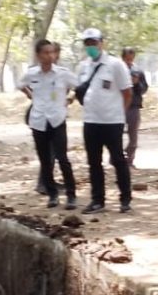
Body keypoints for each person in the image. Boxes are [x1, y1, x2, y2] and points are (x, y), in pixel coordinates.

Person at [74, 28, 134, 214]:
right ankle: (97, 200)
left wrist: (119, 115)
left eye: (94, 42)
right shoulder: (82, 67)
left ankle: (125, 198)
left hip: (112, 122)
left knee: (118, 160)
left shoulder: (115, 64)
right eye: (88, 43)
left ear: (102, 43)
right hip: (91, 121)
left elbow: (127, 93)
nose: (91, 46)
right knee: (94, 162)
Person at [21, 39, 78, 209]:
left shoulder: (63, 73)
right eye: (46, 52)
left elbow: (78, 86)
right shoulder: (32, 73)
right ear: (38, 55)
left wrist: (70, 98)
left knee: (62, 158)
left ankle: (71, 195)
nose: (50, 55)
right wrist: (30, 95)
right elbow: (20, 85)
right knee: (45, 160)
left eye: (52, 52)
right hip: (38, 121)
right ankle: (52, 195)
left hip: (57, 119)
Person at [123, 47, 147, 168]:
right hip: (119, 107)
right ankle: (116, 158)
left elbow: (144, 89)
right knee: (115, 135)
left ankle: (129, 160)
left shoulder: (138, 71)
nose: (129, 62)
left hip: (133, 107)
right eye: (127, 59)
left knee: (133, 137)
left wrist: (137, 83)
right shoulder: (117, 70)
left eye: (131, 59)